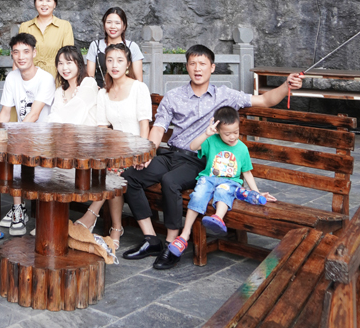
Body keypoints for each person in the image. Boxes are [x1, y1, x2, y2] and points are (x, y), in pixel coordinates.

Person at [122, 44, 303, 271]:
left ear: (212, 67)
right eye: (193, 64)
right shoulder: (174, 96)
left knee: (170, 181)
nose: (197, 69)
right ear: (187, 67)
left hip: (198, 160)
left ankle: (171, 243)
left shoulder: (225, 95)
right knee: (129, 176)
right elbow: (158, 128)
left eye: (202, 64)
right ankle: (151, 239)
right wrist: (148, 152)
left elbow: (265, 100)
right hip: (171, 154)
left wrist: (287, 85)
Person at [167, 106, 275, 259]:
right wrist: (206, 134)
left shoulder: (242, 148)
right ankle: (185, 234)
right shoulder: (211, 141)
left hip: (229, 181)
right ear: (217, 130)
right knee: (198, 195)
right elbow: (192, 146)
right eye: (227, 134)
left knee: (223, 191)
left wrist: (257, 191)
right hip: (209, 178)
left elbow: (247, 172)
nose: (232, 137)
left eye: (236, 132)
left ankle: (218, 217)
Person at [75, 43, 152, 248]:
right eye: (110, 61)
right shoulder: (104, 93)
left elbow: (144, 125)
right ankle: (115, 228)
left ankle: (92, 216)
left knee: (112, 172)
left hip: (137, 150)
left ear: (128, 64)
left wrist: (142, 153)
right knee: (109, 169)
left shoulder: (138, 88)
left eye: (119, 60)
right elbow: (102, 128)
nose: (114, 65)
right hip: (115, 151)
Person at [0, 32, 56, 236]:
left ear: (34, 53)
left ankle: (42, 215)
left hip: (43, 137)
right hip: (22, 135)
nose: (21, 56)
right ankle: (18, 209)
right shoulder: (11, 78)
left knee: (39, 175)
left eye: (25, 51)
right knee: (12, 164)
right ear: (12, 55)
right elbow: (5, 111)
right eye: (16, 52)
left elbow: (34, 114)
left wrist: (15, 138)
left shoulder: (46, 79)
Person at [19, 0, 74, 75]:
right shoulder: (25, 27)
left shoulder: (64, 26)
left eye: (48, 0)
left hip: (56, 76)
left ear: (54, 4)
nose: (44, 4)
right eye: (40, 0)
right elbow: (20, 56)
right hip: (31, 76)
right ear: (35, 3)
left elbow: (68, 56)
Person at [86, 7, 143, 87]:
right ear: (104, 25)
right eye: (109, 22)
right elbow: (90, 79)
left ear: (124, 26)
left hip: (126, 91)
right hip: (101, 91)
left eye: (117, 23)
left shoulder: (132, 47)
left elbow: (139, 80)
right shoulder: (95, 45)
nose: (113, 26)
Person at [51, 46, 99, 126]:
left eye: (69, 63)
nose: (64, 68)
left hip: (88, 133)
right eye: (61, 63)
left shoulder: (89, 83)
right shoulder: (60, 91)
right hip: (64, 133)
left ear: (79, 64)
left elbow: (76, 111)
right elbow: (54, 115)